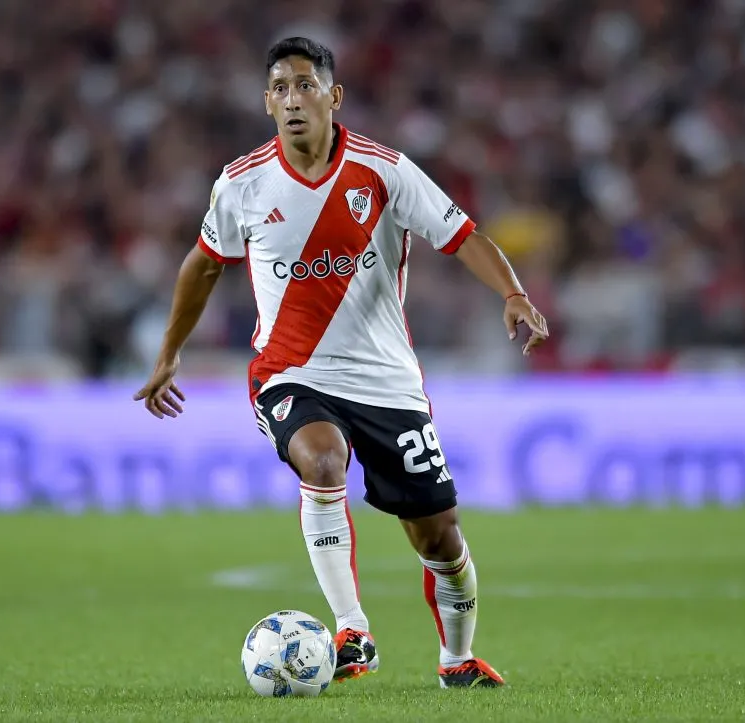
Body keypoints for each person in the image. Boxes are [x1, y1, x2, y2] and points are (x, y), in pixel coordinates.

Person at [134, 37, 549, 689]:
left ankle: (457, 659)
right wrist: (168, 353)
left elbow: (462, 234)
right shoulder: (242, 183)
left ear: (334, 96)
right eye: (280, 88)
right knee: (322, 458)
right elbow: (203, 264)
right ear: (267, 102)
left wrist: (514, 293)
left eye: (305, 84)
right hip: (289, 372)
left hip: (386, 379)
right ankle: (351, 626)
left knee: (438, 534)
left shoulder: (383, 171)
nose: (293, 98)